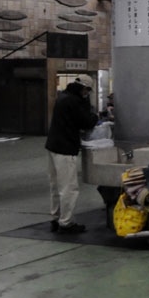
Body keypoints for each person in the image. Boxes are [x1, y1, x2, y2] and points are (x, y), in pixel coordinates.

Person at [45, 74, 99, 234]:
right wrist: (95, 116)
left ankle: (55, 218)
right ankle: (66, 222)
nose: (87, 94)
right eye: (87, 91)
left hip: (52, 146)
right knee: (69, 187)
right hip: (65, 148)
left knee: (55, 186)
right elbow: (86, 122)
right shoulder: (74, 101)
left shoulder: (63, 96)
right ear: (84, 88)